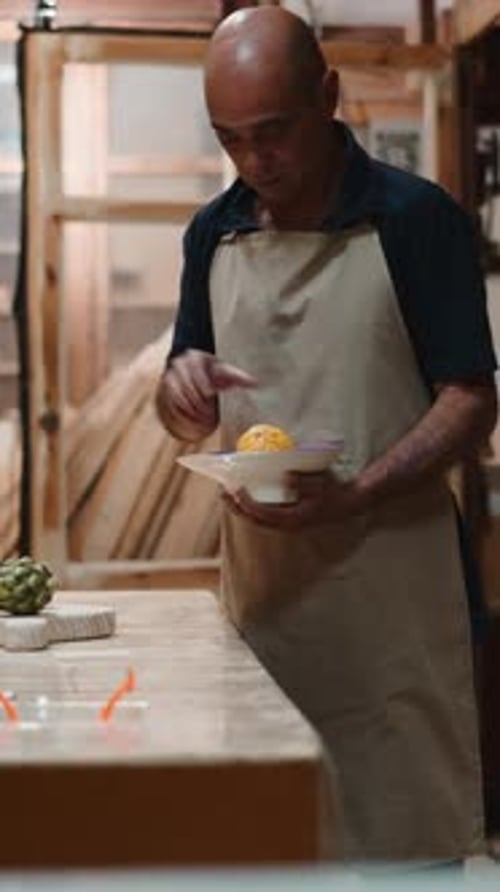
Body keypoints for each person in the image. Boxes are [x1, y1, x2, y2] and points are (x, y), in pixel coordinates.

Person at [155, 5, 498, 864]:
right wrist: (180, 393)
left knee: (401, 851)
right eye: (231, 140)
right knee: (275, 852)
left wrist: (357, 491)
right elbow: (178, 399)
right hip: (268, 603)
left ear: (328, 96)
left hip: (394, 603)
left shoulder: (417, 221)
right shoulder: (214, 233)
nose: (255, 161)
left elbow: (470, 398)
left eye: (273, 132)